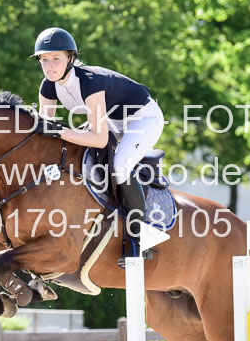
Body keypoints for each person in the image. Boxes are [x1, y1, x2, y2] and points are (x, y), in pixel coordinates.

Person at [30, 26, 165, 264]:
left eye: (56, 59)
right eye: (44, 60)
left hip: (143, 119)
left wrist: (58, 131)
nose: (49, 66)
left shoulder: (89, 82)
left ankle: (139, 239)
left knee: (120, 165)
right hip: (111, 119)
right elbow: (46, 131)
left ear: (71, 58)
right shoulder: (48, 86)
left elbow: (99, 139)